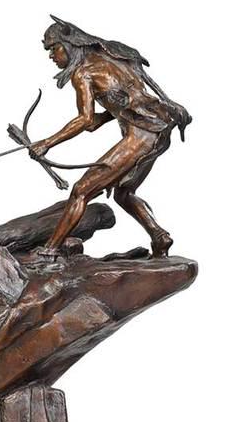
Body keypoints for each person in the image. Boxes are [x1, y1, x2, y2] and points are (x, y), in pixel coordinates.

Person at [30, 16, 191, 258]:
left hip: (143, 134)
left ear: (69, 45)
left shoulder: (83, 73)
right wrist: (105, 117)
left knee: (81, 191)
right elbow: (129, 97)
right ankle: (159, 236)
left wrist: (46, 143)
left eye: (54, 48)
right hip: (159, 131)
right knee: (124, 193)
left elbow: (84, 119)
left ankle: (49, 251)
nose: (52, 56)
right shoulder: (113, 59)